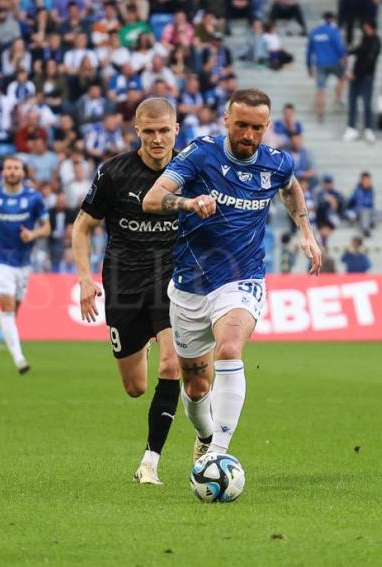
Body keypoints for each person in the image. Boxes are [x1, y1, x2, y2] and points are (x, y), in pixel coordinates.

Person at [141, 88, 322, 464]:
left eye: (257, 127)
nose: (248, 135)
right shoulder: (200, 154)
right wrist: (189, 203)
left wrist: (306, 231)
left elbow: (291, 188)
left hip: (243, 278)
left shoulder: (276, 162)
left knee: (229, 348)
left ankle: (217, 457)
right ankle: (206, 435)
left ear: (267, 126)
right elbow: (152, 200)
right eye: (241, 125)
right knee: (194, 387)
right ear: (226, 120)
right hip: (190, 286)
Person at [71, 98, 182, 486]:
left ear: (176, 129)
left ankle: (150, 462)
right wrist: (86, 279)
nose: (157, 139)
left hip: (172, 281)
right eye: (148, 131)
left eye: (164, 130)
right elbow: (81, 228)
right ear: (137, 130)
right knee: (135, 388)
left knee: (173, 365)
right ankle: (144, 341)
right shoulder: (115, 172)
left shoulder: (190, 170)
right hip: (124, 283)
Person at [0, 156, 50, 374]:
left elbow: (47, 227)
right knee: (8, 311)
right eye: (8, 168)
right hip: (0, 260)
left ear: (22, 172)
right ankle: (20, 360)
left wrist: (33, 233)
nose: (12, 171)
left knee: (13, 311)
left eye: (16, 168)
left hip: (23, 263)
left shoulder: (34, 199)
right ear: (3, 172)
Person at [343, 21, 382, 143]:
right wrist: (347, 52)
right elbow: (358, 50)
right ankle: (351, 128)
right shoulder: (365, 39)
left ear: (372, 28)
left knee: (367, 103)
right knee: (352, 102)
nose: (365, 30)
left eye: (367, 28)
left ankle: (368, 129)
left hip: (366, 77)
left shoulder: (376, 43)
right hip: (356, 75)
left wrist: (355, 74)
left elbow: (369, 62)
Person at [306, 11, 346, 123]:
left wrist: (309, 66)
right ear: (332, 19)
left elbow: (309, 51)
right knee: (342, 78)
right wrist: (344, 58)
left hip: (320, 64)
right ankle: (337, 100)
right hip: (334, 62)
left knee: (320, 89)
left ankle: (320, 114)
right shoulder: (333, 30)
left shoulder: (314, 32)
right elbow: (339, 47)